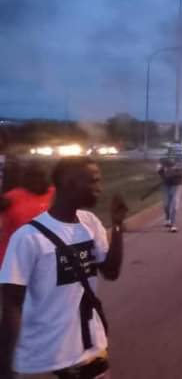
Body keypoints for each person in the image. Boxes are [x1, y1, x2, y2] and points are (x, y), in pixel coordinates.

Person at [0, 156, 127, 379]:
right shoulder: (28, 238)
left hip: (90, 345)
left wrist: (117, 227)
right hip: (46, 356)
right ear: (70, 184)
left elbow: (111, 272)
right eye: (94, 182)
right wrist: (6, 365)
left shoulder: (90, 222)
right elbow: (12, 305)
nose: (100, 188)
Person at [0, 162, 55, 265]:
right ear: (24, 179)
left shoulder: (56, 195)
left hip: (45, 260)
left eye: (40, 175)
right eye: (32, 176)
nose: (36, 180)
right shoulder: (11, 198)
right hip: (13, 261)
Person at [158, 153, 182, 233]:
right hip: (166, 187)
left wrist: (174, 172)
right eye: (166, 165)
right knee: (166, 205)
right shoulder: (163, 169)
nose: (167, 167)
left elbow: (180, 176)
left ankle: (173, 225)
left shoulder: (179, 167)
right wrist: (163, 170)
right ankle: (167, 219)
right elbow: (161, 174)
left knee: (174, 205)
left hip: (176, 187)